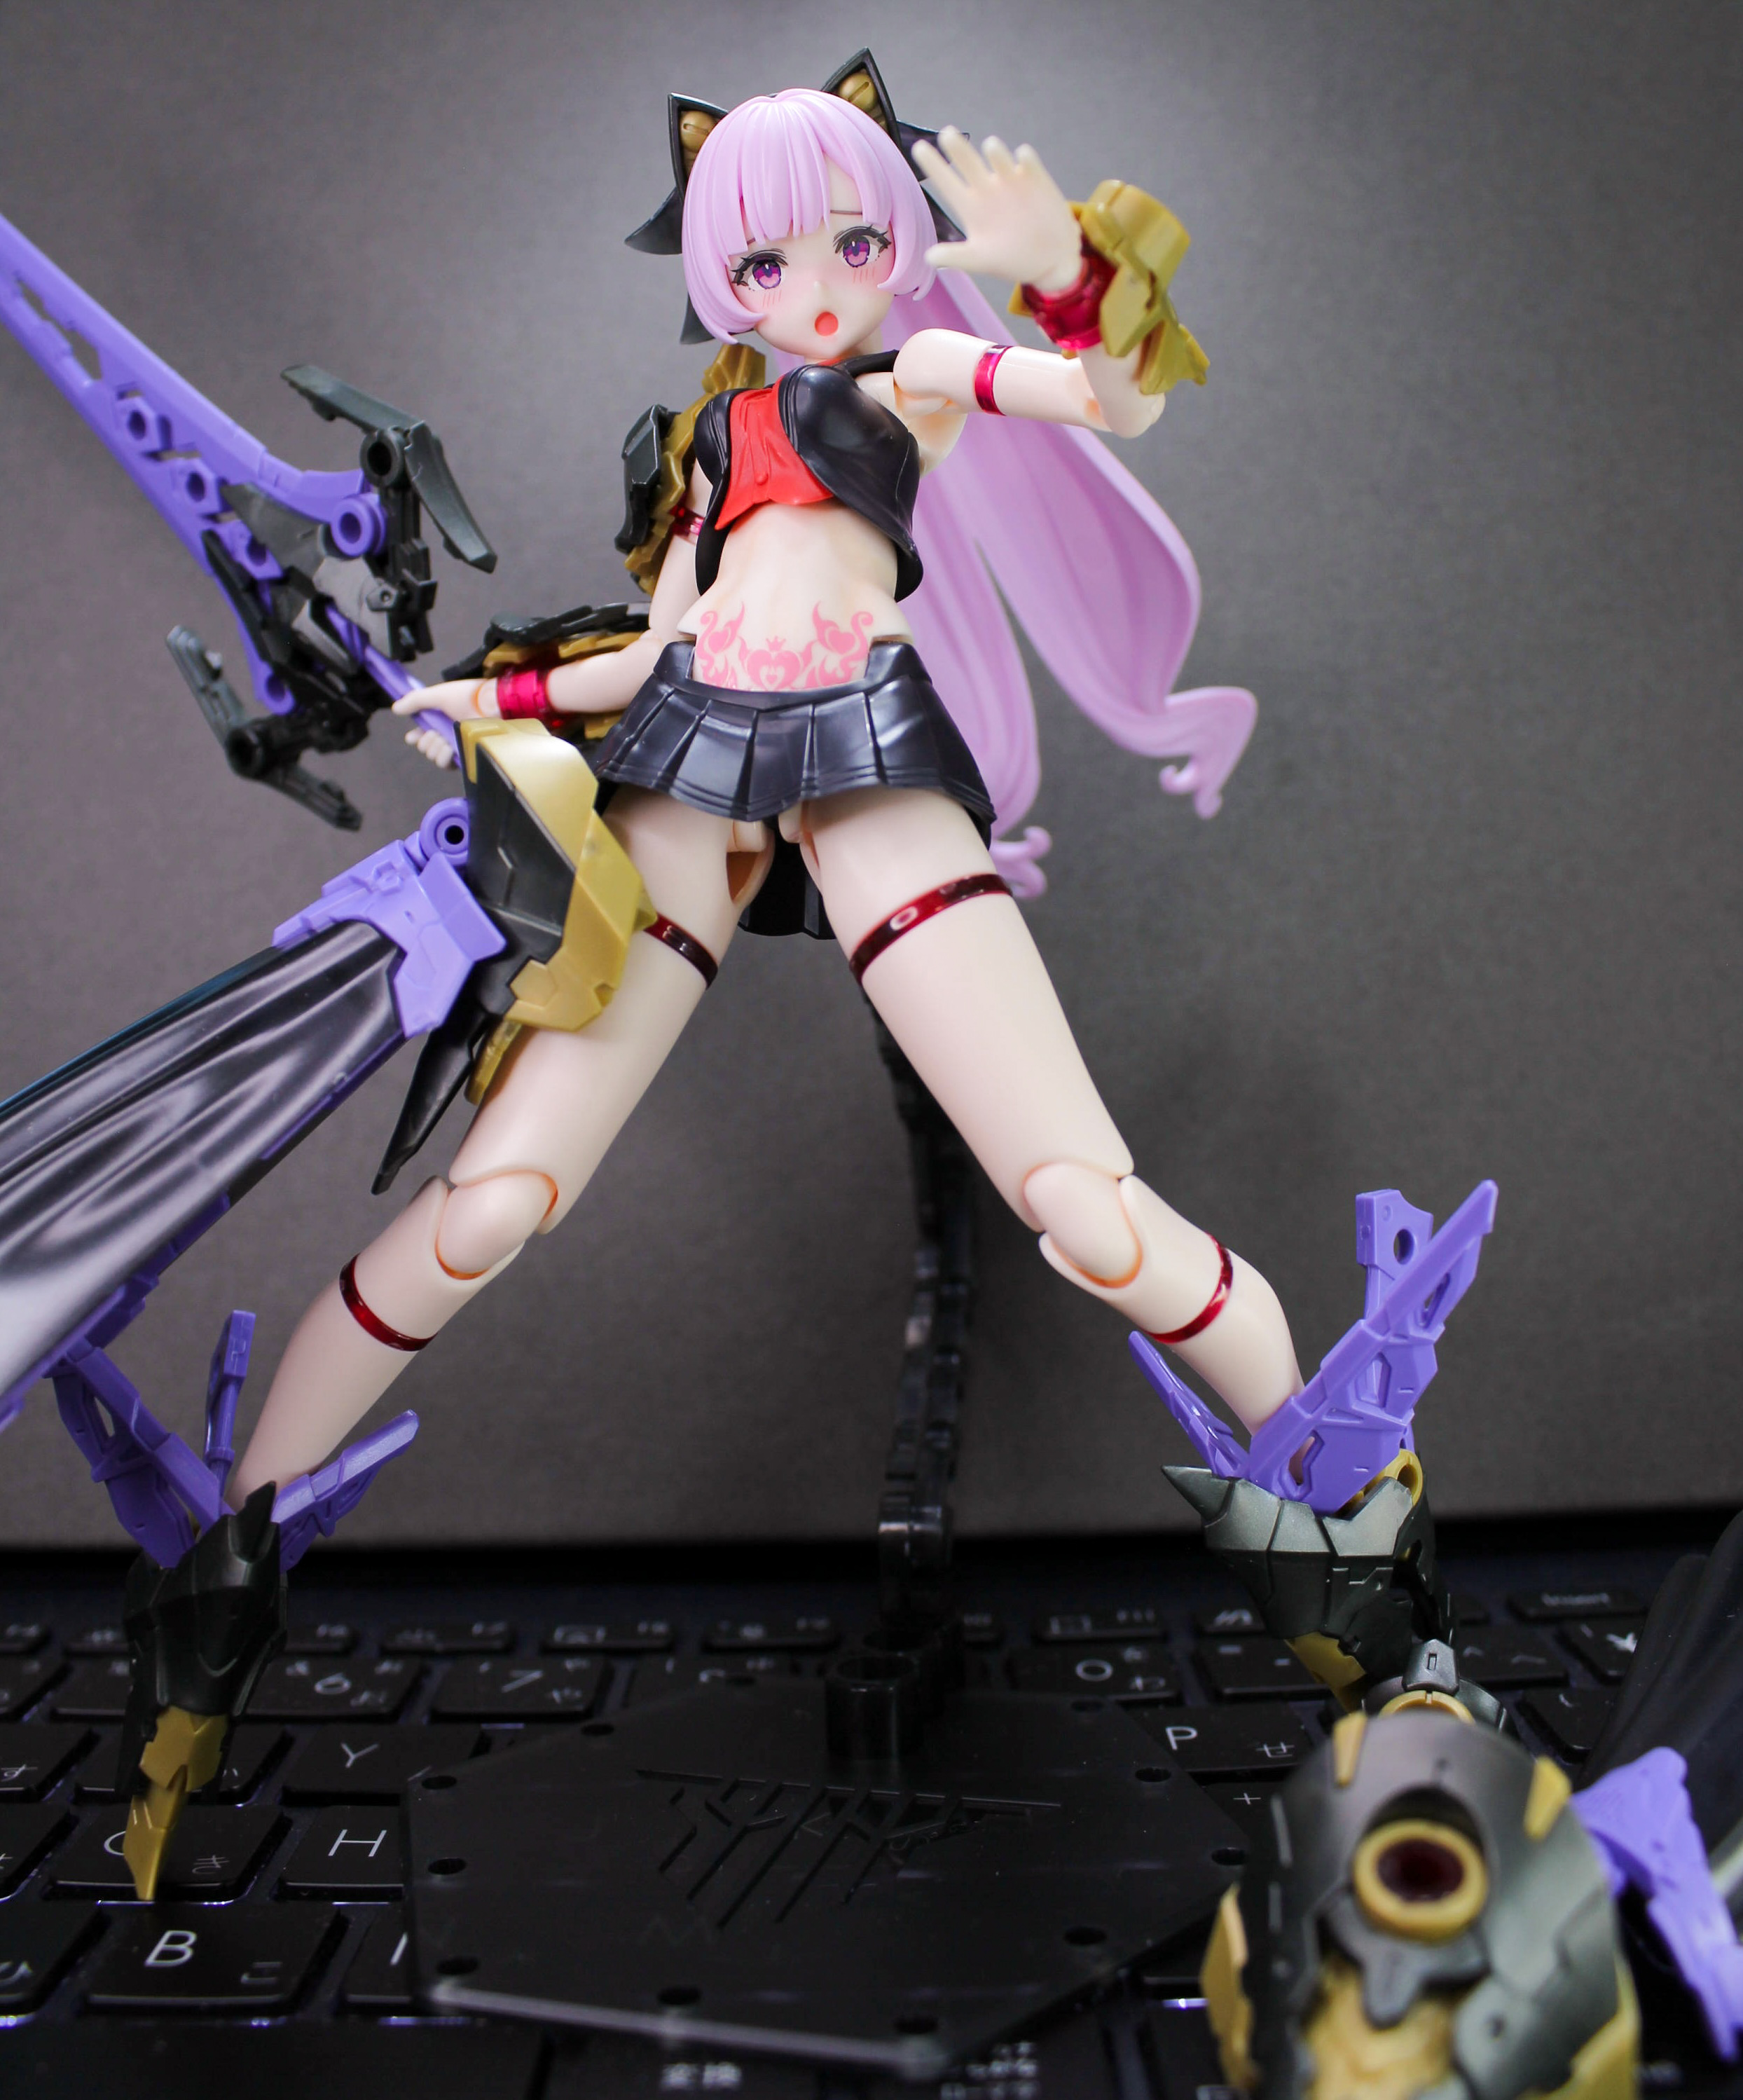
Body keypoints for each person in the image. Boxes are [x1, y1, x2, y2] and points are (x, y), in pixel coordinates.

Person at [228, 79, 1304, 1509]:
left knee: (1082, 1207)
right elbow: (653, 652)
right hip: (689, 757)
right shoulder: (712, 449)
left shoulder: (910, 377)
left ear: (899, 243)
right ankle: (235, 1541)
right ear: (718, 279)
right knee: (492, 1203)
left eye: (856, 243)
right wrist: (485, 701)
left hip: (862, 746)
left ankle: (1349, 1506)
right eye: (764, 261)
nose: (818, 288)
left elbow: (1113, 401)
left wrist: (1070, 277)